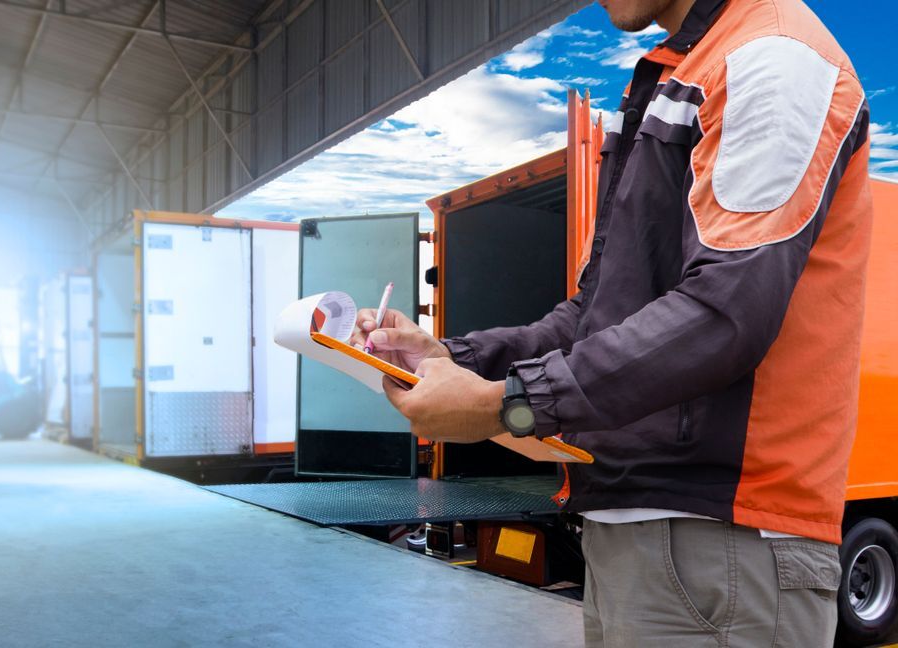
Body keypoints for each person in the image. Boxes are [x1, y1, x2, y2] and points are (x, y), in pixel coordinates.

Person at [349, 0, 873, 645]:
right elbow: (592, 317)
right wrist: (452, 360)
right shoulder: (688, 69)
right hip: (654, 534)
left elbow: (723, 313)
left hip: (722, 533)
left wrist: (504, 405)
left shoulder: (773, 55)